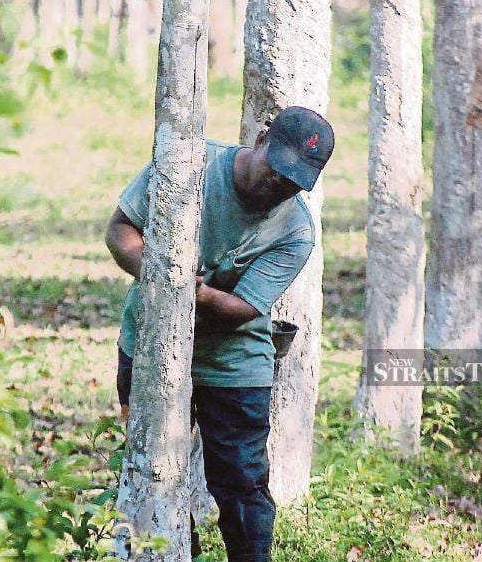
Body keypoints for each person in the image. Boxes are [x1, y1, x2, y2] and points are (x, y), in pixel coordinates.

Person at [105, 106, 334, 561]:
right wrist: (159, 271)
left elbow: (243, 309)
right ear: (263, 139)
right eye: (277, 171)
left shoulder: (297, 231)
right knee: (151, 467)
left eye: (293, 182)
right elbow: (120, 230)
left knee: (241, 483)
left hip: (233, 362)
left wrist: (192, 291)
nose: (279, 187)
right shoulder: (189, 166)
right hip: (150, 346)